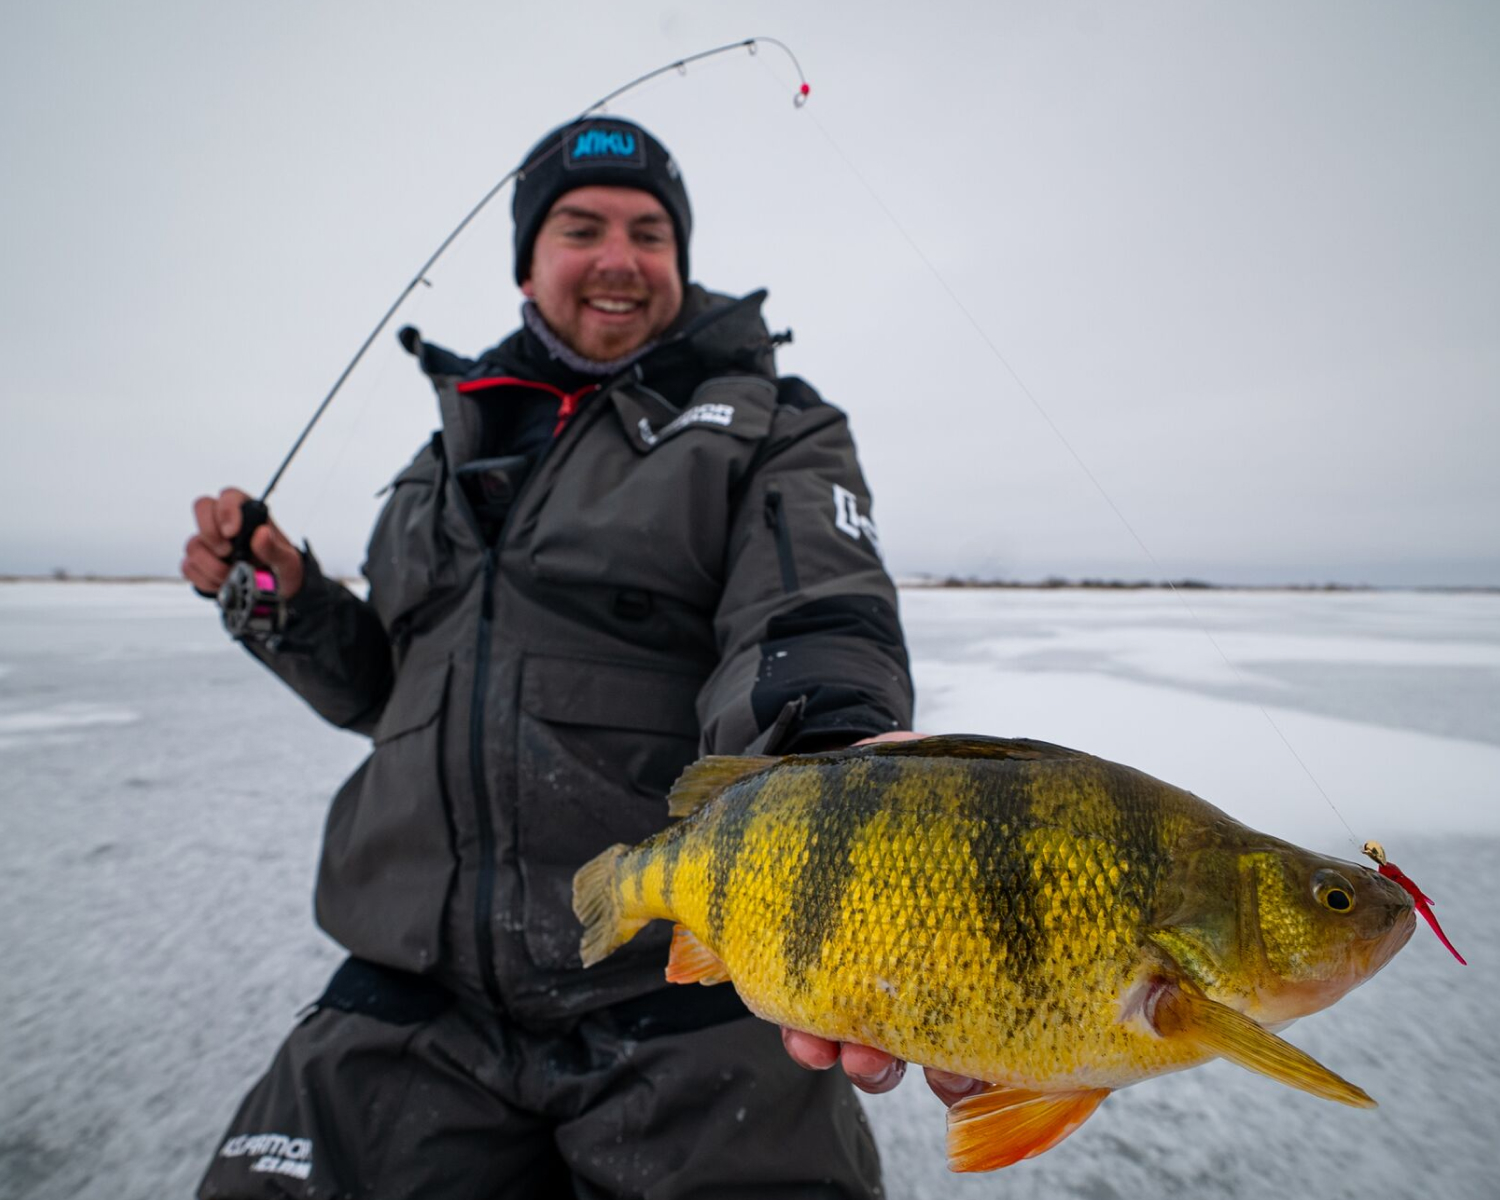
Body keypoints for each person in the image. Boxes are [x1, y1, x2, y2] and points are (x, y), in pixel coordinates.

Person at [183, 115, 969, 1199]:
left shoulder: (766, 426)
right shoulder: (442, 458)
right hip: (416, 989)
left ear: (681, 263)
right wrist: (283, 601)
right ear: (527, 265)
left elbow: (810, 610)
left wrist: (833, 751)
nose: (618, 257)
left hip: (686, 988)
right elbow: (387, 692)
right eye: (581, 227)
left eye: (650, 233)